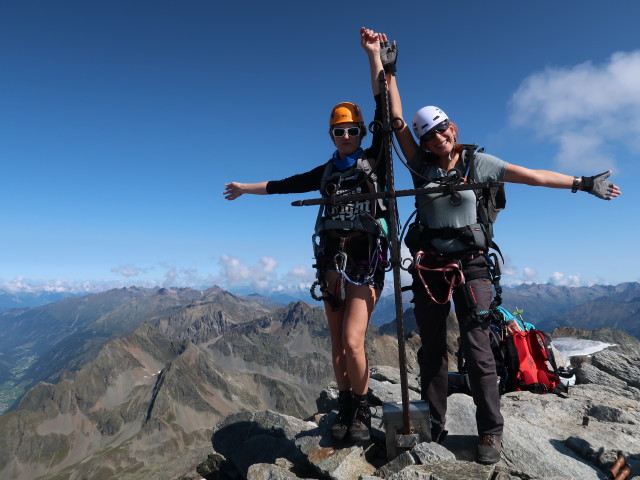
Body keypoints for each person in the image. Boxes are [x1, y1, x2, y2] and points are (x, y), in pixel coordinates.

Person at [360, 28, 621, 464]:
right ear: (424, 142)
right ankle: (435, 424)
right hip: (429, 266)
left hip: (472, 266)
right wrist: (381, 64)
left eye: (442, 129)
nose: (438, 137)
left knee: (479, 347)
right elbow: (393, 115)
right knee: (431, 350)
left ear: (452, 128)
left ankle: (491, 433)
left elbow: (532, 175)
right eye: (430, 135)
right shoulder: (419, 166)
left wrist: (581, 183)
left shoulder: (481, 163)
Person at [223, 30, 391, 443]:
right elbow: (284, 184)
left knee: (353, 342)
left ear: (362, 133)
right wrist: (246, 188)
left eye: (353, 131)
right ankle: (347, 408)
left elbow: (384, 106)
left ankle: (363, 409)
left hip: (366, 263)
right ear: (331, 135)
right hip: (331, 264)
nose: (347, 136)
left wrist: (374, 56)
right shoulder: (326, 172)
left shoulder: (377, 159)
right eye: (340, 131)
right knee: (336, 347)